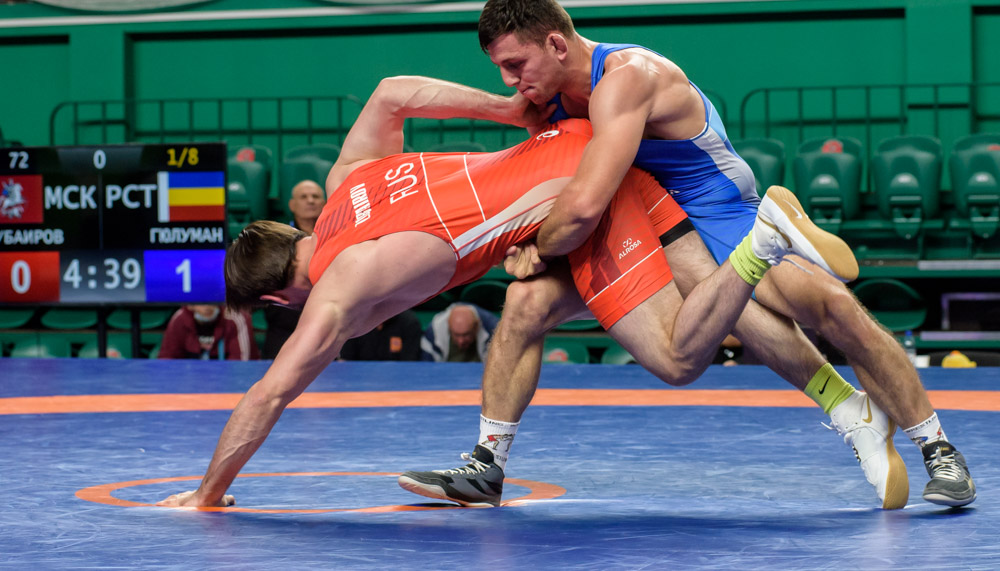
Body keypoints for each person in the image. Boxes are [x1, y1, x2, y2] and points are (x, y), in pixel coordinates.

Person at [396, 0, 975, 509]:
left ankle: (937, 448)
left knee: (825, 305)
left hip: (712, 207)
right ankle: (487, 464)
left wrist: (538, 250)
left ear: (556, 43)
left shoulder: (628, 77)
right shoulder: (545, 98)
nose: (509, 81)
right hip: (635, 223)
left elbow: (584, 203)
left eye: (515, 65)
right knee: (525, 304)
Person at [155, 76, 853, 509]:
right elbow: (393, 92)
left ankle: (771, 244)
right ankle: (487, 467)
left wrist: (208, 493)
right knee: (532, 307)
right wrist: (510, 109)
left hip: (587, 191)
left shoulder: (338, 290)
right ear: (291, 229)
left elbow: (269, 393)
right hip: (566, 145)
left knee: (678, 355)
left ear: (276, 300)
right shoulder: (347, 181)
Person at [262, 179, 327, 360]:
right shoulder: (277, 238)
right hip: (285, 327)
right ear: (292, 204)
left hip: (328, 321)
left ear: (324, 203)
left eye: (315, 196)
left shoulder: (337, 233)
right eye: (304, 197)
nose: (310, 201)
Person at [158, 304, 259, 360]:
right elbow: (167, 358)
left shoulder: (235, 318)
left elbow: (241, 365)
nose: (207, 307)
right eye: (201, 302)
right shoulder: (179, 319)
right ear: (190, 305)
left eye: (211, 300)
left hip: (228, 379)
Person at [421, 303, 498, 362]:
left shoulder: (494, 330)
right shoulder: (433, 332)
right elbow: (427, 368)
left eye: (466, 334)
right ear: (448, 326)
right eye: (456, 335)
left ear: (476, 326)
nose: (461, 341)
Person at [340, 310, 423, 361]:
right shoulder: (356, 321)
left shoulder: (409, 322)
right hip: (359, 379)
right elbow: (346, 360)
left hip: (397, 380)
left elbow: (409, 365)